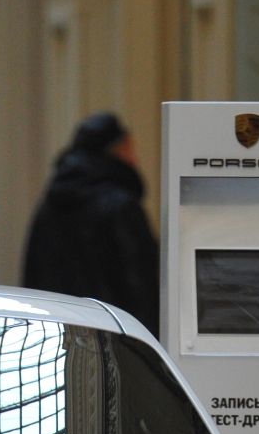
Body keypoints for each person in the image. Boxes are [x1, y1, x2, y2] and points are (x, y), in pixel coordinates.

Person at [22, 111, 159, 334]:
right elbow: (142, 284)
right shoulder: (120, 206)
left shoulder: (50, 204)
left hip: (55, 333)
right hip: (114, 336)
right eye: (130, 148)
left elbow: (33, 274)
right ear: (118, 150)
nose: (136, 158)